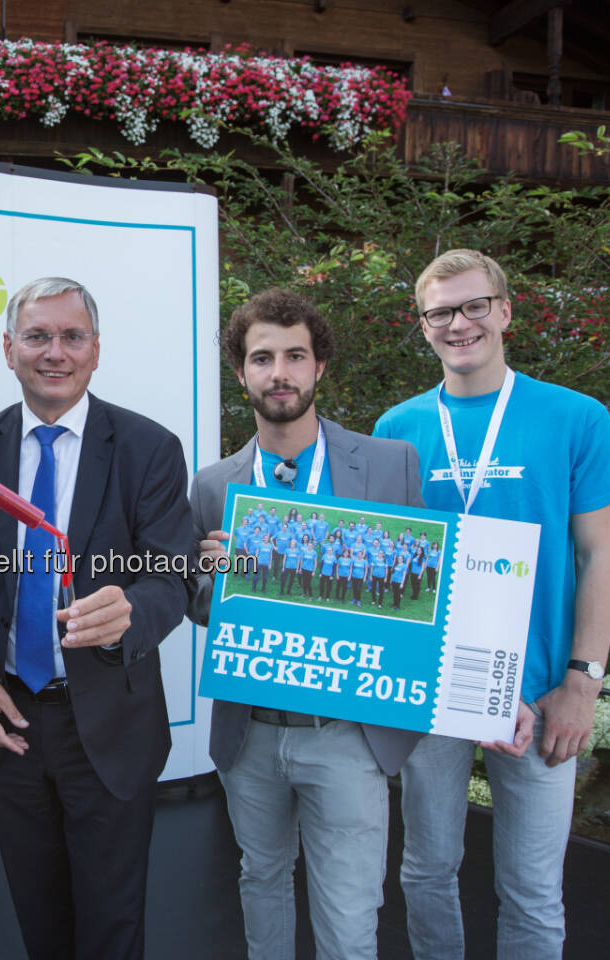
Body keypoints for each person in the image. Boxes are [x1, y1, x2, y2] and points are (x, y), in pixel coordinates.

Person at [374, 249, 610, 958]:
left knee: (531, 888)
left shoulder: (576, 419)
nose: (458, 324)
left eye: (473, 306)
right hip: (429, 692)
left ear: (505, 311)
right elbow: (385, 565)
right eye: (440, 312)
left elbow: (600, 555)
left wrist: (583, 682)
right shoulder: (396, 428)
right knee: (426, 870)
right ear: (422, 326)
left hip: (547, 688)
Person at [0, 277, 192, 960]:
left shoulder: (148, 447)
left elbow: (174, 571)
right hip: (9, 721)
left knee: (111, 928)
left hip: (108, 720)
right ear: (8, 347)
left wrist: (133, 610)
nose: (55, 352)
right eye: (38, 336)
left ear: (96, 350)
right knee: (39, 918)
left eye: (71, 336)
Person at [188, 288, 424, 959]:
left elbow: (413, 593)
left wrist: (278, 563)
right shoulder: (213, 484)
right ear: (242, 374)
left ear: (321, 366)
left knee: (350, 915)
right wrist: (227, 582)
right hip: (251, 733)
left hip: (346, 734)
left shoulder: (388, 465)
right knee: (260, 881)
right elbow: (195, 602)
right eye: (262, 358)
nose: (279, 372)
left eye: (296, 355)